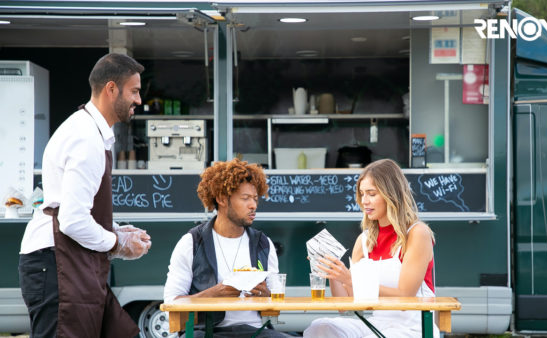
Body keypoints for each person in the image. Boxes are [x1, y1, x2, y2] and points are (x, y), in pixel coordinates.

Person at [18, 53, 152, 338]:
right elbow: (73, 220)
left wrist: (116, 231)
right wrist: (118, 243)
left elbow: (75, 211)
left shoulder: (88, 129)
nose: (138, 101)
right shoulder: (87, 139)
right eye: (135, 91)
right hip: (55, 264)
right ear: (111, 89)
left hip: (64, 262)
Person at [304, 159, 438, 338]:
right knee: (320, 327)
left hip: (413, 328)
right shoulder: (364, 240)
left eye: (372, 194)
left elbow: (405, 296)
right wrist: (333, 272)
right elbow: (345, 305)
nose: (364, 201)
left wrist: (352, 279)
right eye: (362, 194)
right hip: (377, 324)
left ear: (392, 194)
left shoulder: (417, 233)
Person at [164, 158, 287, 338]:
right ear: (222, 198)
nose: (253, 205)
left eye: (255, 198)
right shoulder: (191, 242)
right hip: (208, 332)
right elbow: (171, 304)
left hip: (256, 332)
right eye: (245, 198)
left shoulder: (263, 243)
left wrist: (266, 296)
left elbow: (274, 312)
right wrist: (214, 294)